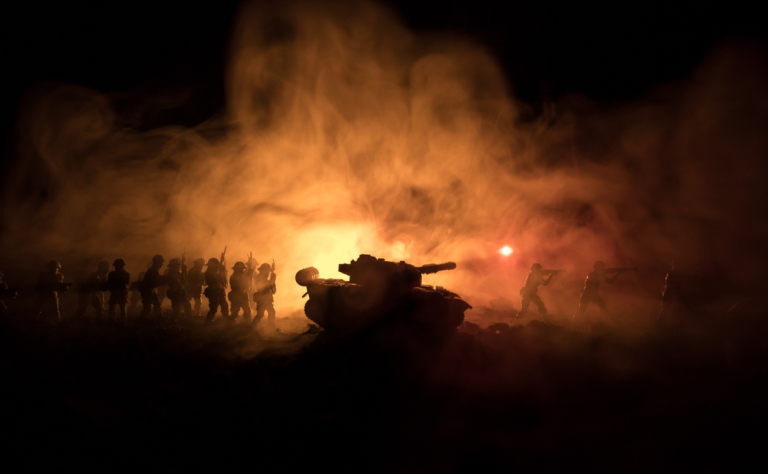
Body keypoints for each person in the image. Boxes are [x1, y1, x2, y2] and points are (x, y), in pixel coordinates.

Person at [139, 255, 165, 319]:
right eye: (161, 262)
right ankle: (142, 321)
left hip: (151, 289)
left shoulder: (154, 270)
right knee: (147, 308)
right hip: (147, 290)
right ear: (157, 262)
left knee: (157, 305)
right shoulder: (153, 271)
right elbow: (156, 280)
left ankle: (159, 318)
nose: (162, 264)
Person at [204, 258, 228, 323]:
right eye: (216, 265)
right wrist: (221, 272)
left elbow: (223, 283)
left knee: (224, 306)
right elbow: (218, 284)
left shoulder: (214, 272)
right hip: (213, 292)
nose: (217, 267)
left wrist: (222, 272)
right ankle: (208, 321)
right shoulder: (209, 273)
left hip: (219, 291)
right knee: (214, 308)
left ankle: (226, 320)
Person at [252, 262, 276, 328]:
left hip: (266, 299)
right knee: (260, 314)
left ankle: (271, 327)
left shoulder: (263, 278)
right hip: (263, 300)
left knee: (270, 312)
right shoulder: (260, 278)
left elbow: (271, 288)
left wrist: (272, 278)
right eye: (267, 271)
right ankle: (252, 327)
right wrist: (273, 278)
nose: (268, 273)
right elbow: (266, 289)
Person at [107, 259, 131, 325]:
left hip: (121, 293)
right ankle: (113, 321)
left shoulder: (124, 274)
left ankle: (122, 322)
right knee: (115, 308)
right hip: (117, 293)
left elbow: (126, 283)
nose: (118, 267)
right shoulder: (125, 274)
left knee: (121, 308)